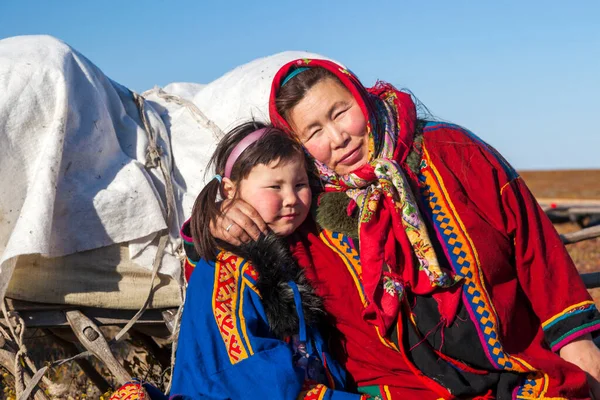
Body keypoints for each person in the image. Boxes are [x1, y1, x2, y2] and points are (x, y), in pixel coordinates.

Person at [208, 59, 600, 399]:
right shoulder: (305, 210)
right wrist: (211, 219)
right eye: (313, 132)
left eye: (340, 112)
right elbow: (242, 228)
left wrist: (577, 340)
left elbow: (535, 245)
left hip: (520, 370)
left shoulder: (452, 151)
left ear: (361, 98)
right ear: (299, 144)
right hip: (403, 391)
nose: (337, 137)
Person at [170, 121, 365, 399]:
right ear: (229, 191)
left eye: (300, 184)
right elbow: (254, 379)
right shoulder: (225, 269)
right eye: (274, 186)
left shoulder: (292, 245)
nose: (291, 199)